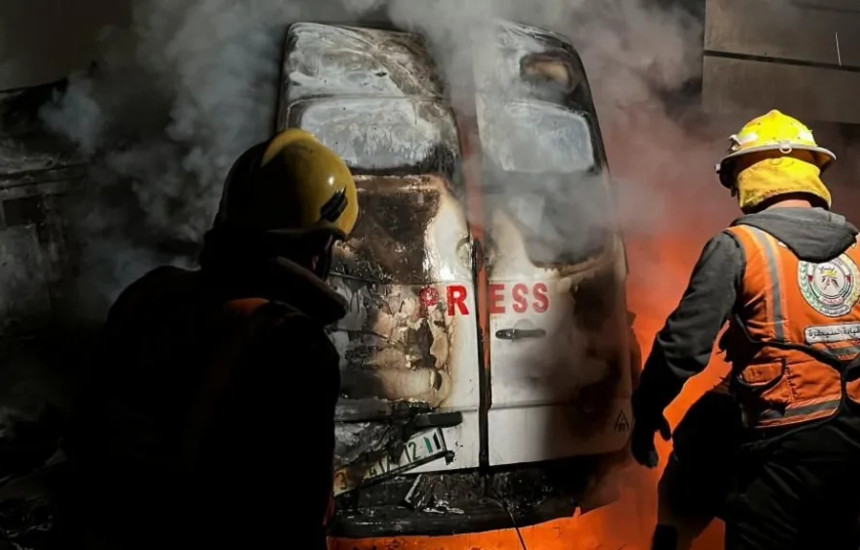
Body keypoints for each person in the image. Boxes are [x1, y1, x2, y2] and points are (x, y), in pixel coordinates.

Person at [55, 128, 358, 550]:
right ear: (322, 245)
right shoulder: (294, 346)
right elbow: (295, 518)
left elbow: (85, 432)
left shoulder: (149, 294)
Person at [631, 109, 860, 549]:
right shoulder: (857, 246)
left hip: (782, 445)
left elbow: (683, 347)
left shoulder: (739, 246)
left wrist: (647, 411)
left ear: (747, 175)